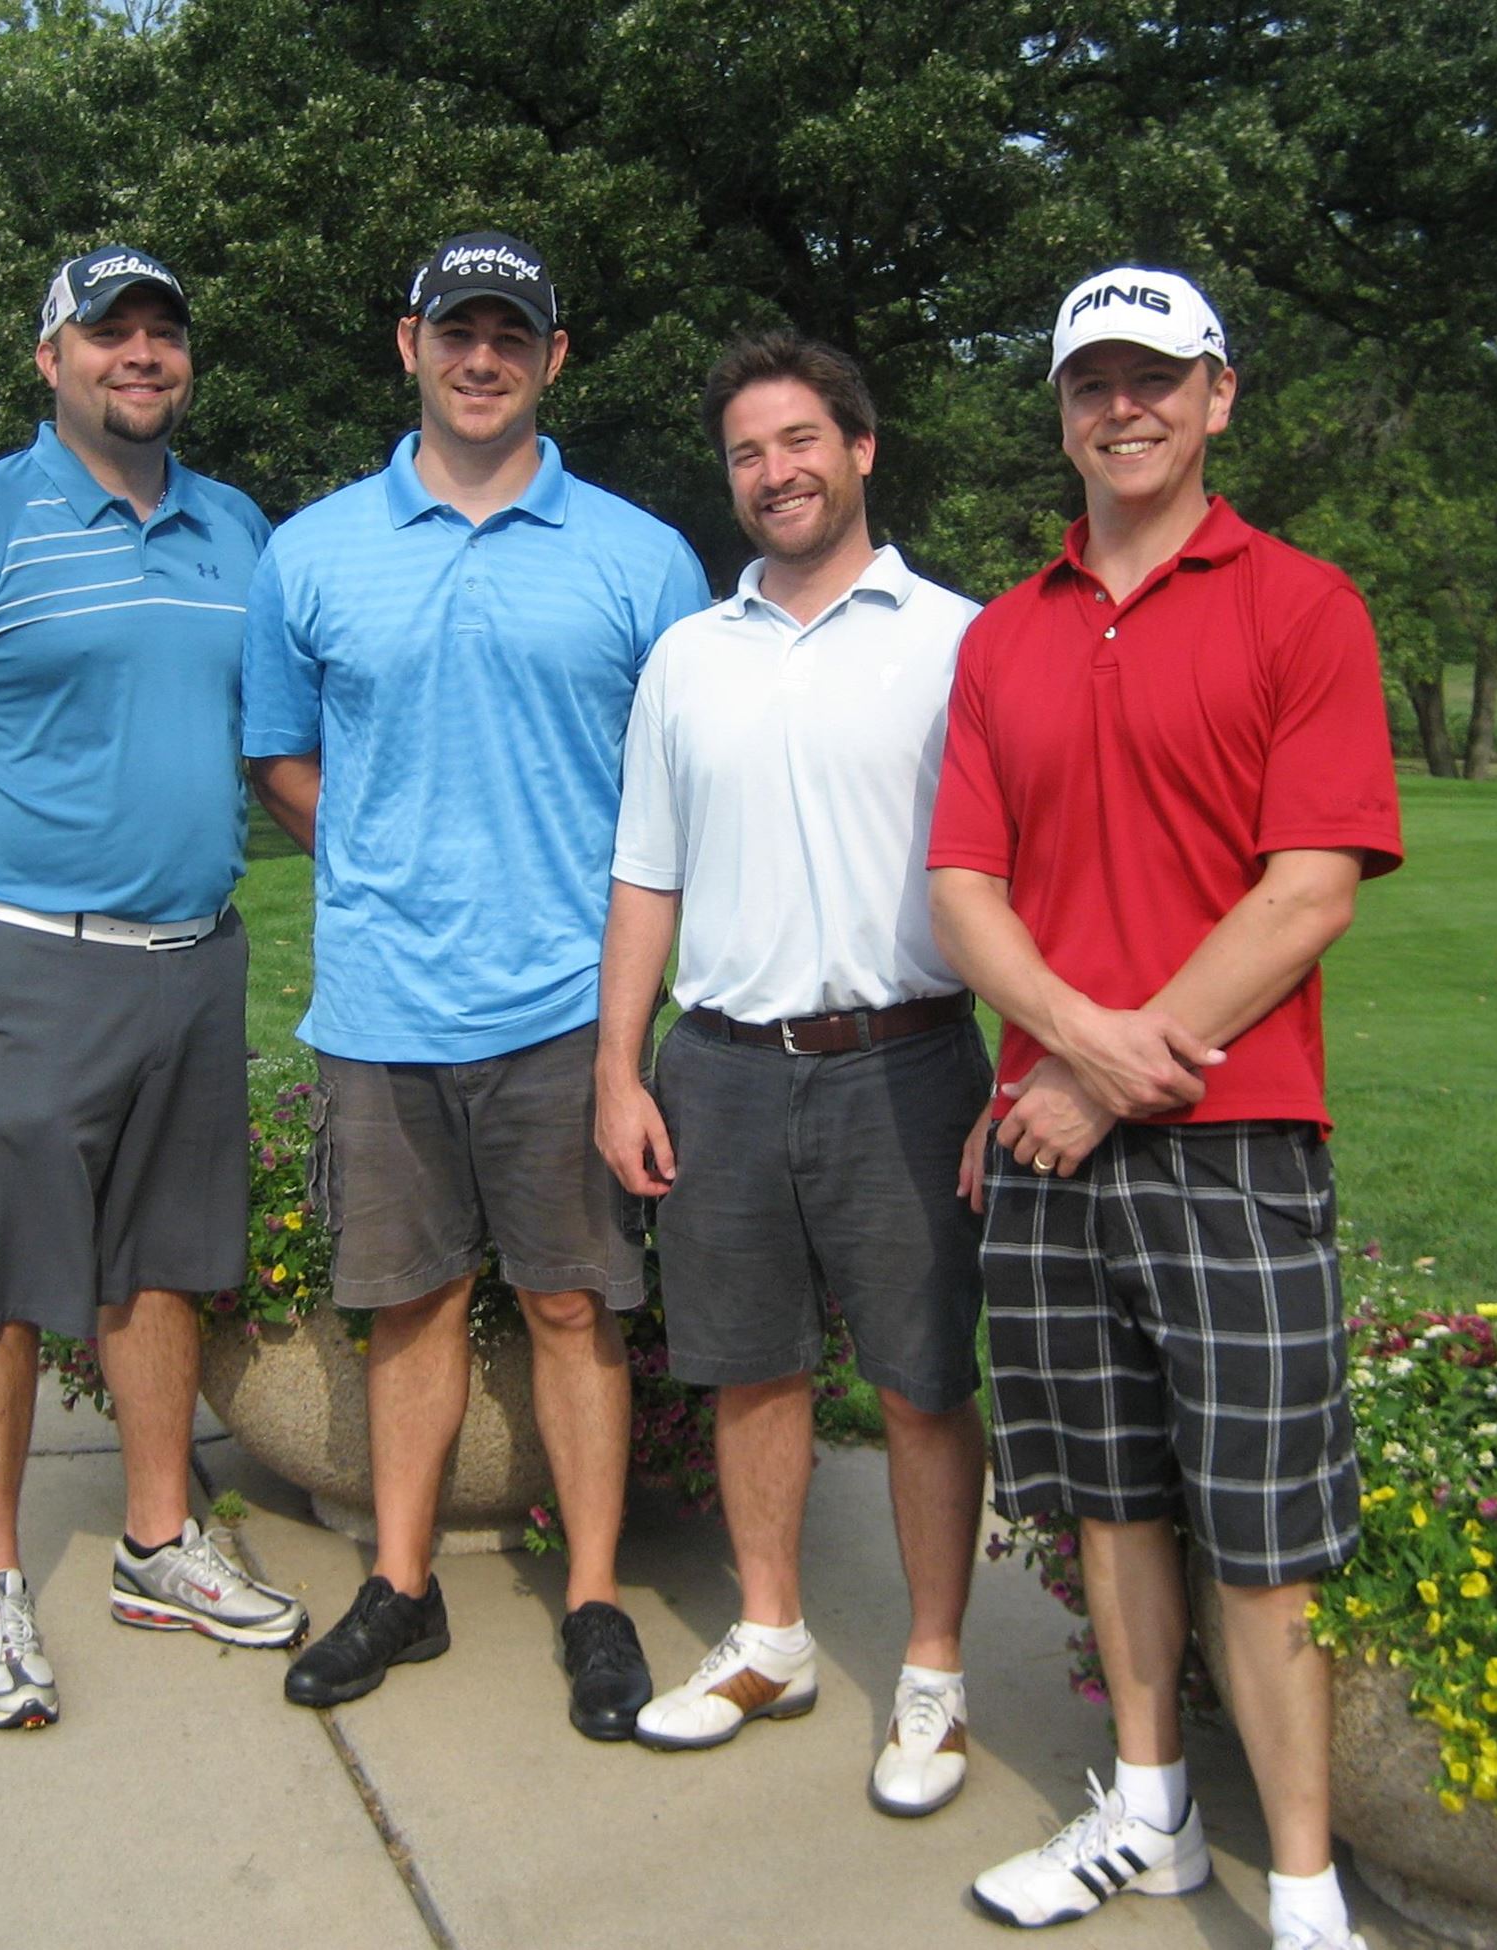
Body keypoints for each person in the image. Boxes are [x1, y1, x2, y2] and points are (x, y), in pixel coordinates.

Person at [925, 267, 1402, 1947]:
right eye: (1090, 384)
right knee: (1115, 1501)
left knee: (1260, 1541)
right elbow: (966, 890)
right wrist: (1069, 1044)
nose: (1120, 408)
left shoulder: (1301, 605)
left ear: (1219, 397)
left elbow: (1310, 890)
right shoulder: (1006, 629)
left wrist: (1109, 1067)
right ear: (1062, 411)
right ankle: (1152, 1812)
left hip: (1237, 1140)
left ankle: (1307, 1893)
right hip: (1055, 1140)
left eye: (1154, 379)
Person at [0, 245, 306, 1732]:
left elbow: (273, 732)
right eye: (110, 334)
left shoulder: (239, 530)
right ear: (53, 358)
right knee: (2, 1284)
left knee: (161, 1260)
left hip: (191, 962)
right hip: (27, 967)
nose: (140, 355)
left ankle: (158, 1538)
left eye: (164, 330)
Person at [242, 230, 711, 1737]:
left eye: (513, 332)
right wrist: (381, 856)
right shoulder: (309, 551)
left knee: (577, 1307)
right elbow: (279, 753)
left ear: (554, 357)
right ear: (410, 344)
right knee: (410, 1304)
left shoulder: (643, 557)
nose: (483, 355)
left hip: (576, 1011)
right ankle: (403, 1586)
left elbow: (679, 785)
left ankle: (592, 1600)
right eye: (458, 329)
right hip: (384, 1007)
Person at [594, 331, 991, 1816]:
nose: (777, 471)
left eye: (801, 441)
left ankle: (936, 1668)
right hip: (726, 1069)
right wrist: (617, 1071)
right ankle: (772, 1636)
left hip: (909, 1063)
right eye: (749, 453)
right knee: (749, 1363)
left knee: (920, 1378)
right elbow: (647, 875)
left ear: (862, 447)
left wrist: (1013, 1079)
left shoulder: (959, 638)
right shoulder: (688, 656)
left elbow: (1018, 877)